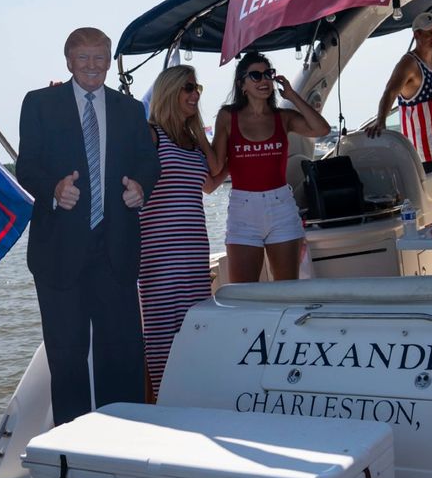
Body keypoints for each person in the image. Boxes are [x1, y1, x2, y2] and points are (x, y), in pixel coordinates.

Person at [16, 27, 161, 426]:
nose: (93, 66)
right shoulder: (39, 104)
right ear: (68, 61)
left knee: (124, 354)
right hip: (58, 254)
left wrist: (140, 187)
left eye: (100, 58)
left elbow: (149, 162)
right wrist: (54, 188)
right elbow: (26, 166)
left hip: (115, 250)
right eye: (84, 58)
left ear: (109, 60)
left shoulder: (130, 109)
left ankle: (126, 439)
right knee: (68, 358)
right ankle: (73, 450)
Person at [138, 65, 226, 399]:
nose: (195, 94)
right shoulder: (150, 135)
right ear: (170, 90)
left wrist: (201, 132)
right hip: (159, 258)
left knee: (196, 334)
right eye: (188, 87)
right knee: (162, 342)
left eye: (198, 88)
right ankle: (160, 411)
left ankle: (192, 405)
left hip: (192, 255)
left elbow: (213, 176)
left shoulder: (191, 140)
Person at [212, 51, 330, 283]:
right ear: (242, 84)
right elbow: (216, 164)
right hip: (242, 210)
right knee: (244, 295)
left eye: (268, 74)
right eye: (255, 75)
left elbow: (321, 129)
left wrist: (292, 95)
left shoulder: (283, 117)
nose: (264, 80)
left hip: (281, 208)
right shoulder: (228, 117)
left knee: (287, 291)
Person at [365, 12, 432, 172]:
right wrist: (380, 121)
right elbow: (389, 92)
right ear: (417, 34)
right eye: (430, 33)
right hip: (423, 155)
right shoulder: (408, 64)